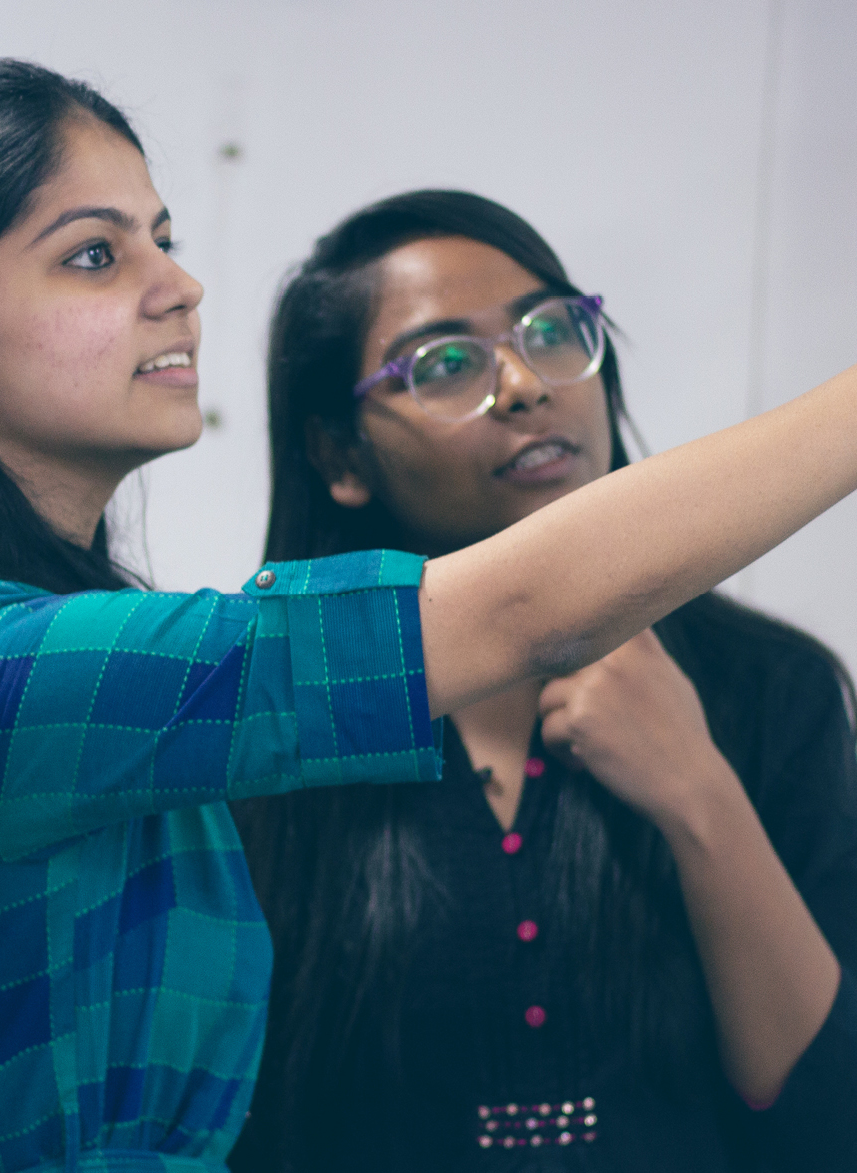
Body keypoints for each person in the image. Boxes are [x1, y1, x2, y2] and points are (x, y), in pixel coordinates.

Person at [0, 59, 857, 1173]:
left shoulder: (1, 645)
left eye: (166, 241)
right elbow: (518, 609)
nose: (179, 288)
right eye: (94, 257)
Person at [227, 189, 857, 1172]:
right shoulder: (277, 718)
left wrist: (699, 797)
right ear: (338, 456)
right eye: (444, 364)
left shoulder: (774, 690)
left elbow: (823, 1122)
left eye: (552, 330)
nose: (525, 384)